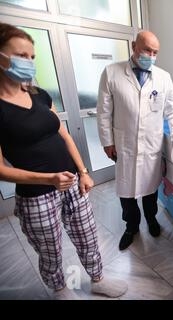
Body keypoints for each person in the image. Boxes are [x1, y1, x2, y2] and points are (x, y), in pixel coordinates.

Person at [0, 23, 127, 299]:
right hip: (36, 196)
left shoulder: (39, 94)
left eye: (32, 57)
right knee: (50, 248)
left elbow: (65, 135)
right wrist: (48, 179)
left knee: (87, 235)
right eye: (21, 56)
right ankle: (59, 289)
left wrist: (83, 171)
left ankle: (98, 279)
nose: (29, 63)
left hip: (72, 183)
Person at [97, 31, 173, 251]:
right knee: (127, 192)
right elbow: (104, 112)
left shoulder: (163, 77)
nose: (151, 56)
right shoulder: (111, 72)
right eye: (147, 50)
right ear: (134, 46)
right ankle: (131, 227)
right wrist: (107, 141)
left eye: (155, 52)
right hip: (124, 146)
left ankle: (152, 220)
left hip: (151, 146)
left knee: (150, 190)